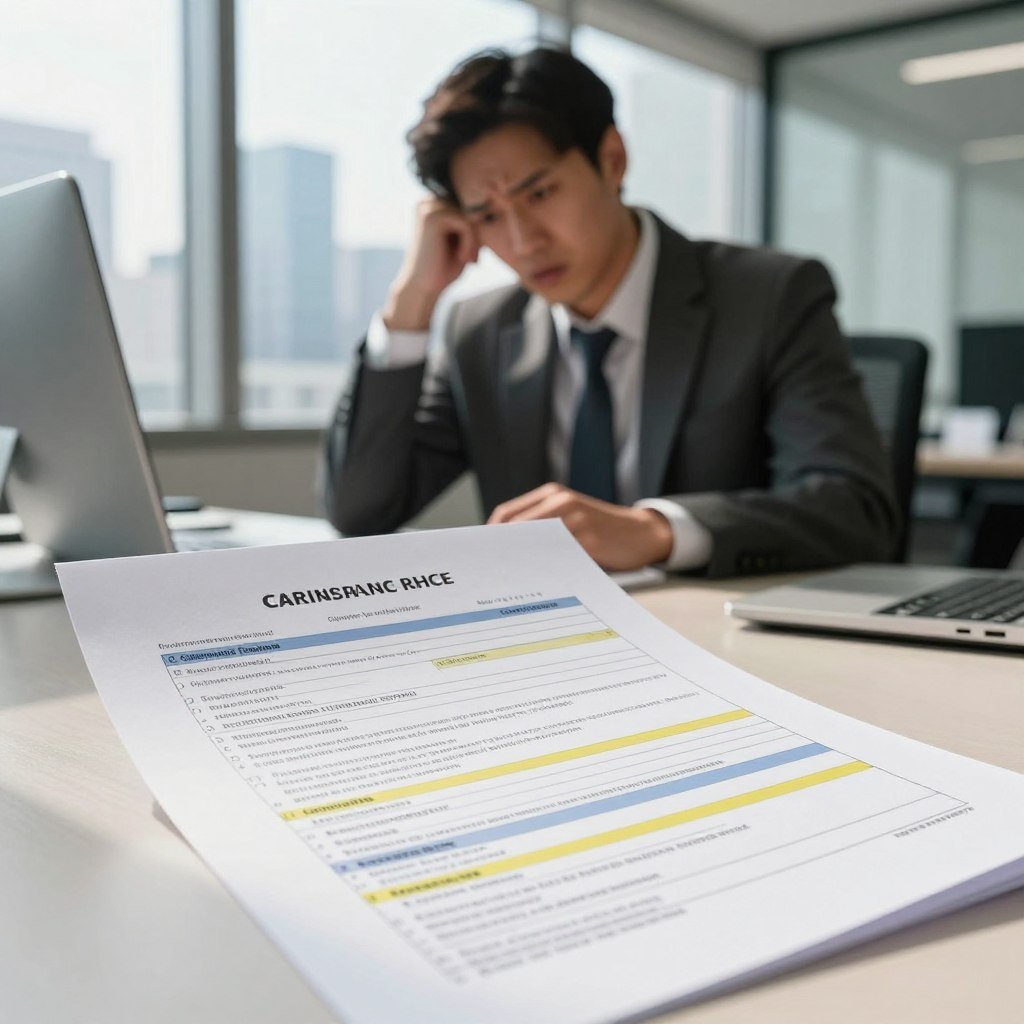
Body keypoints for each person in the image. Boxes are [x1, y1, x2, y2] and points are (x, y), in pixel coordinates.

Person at [323, 46, 899, 578]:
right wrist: (412, 302)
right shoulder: (478, 329)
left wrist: (655, 532)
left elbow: (856, 511)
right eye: (489, 216)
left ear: (612, 159)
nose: (523, 242)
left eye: (539, 194)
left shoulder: (769, 296)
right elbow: (362, 511)